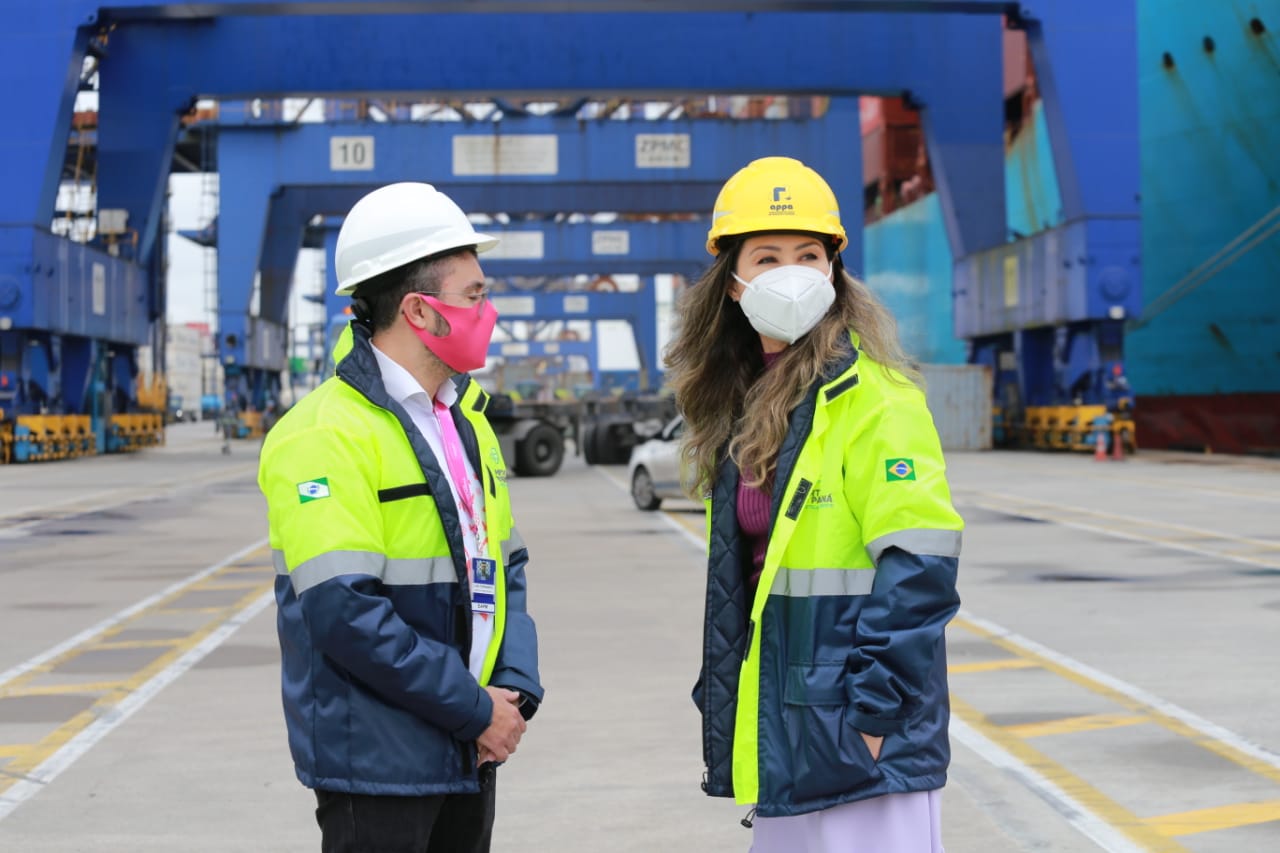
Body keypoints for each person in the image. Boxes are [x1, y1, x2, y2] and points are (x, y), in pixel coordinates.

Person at [666, 157, 962, 853]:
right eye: (765, 257)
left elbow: (922, 567)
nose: (790, 273)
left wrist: (872, 714)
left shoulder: (879, 402)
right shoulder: (741, 411)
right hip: (787, 733)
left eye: (808, 254)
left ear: (834, 272)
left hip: (865, 747)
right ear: (732, 284)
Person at [257, 182, 543, 853]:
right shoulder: (322, 434)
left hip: (470, 748)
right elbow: (344, 613)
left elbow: (508, 566)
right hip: (382, 767)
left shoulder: (466, 421)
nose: (489, 311)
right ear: (421, 310)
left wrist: (513, 692)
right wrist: (476, 709)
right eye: (474, 295)